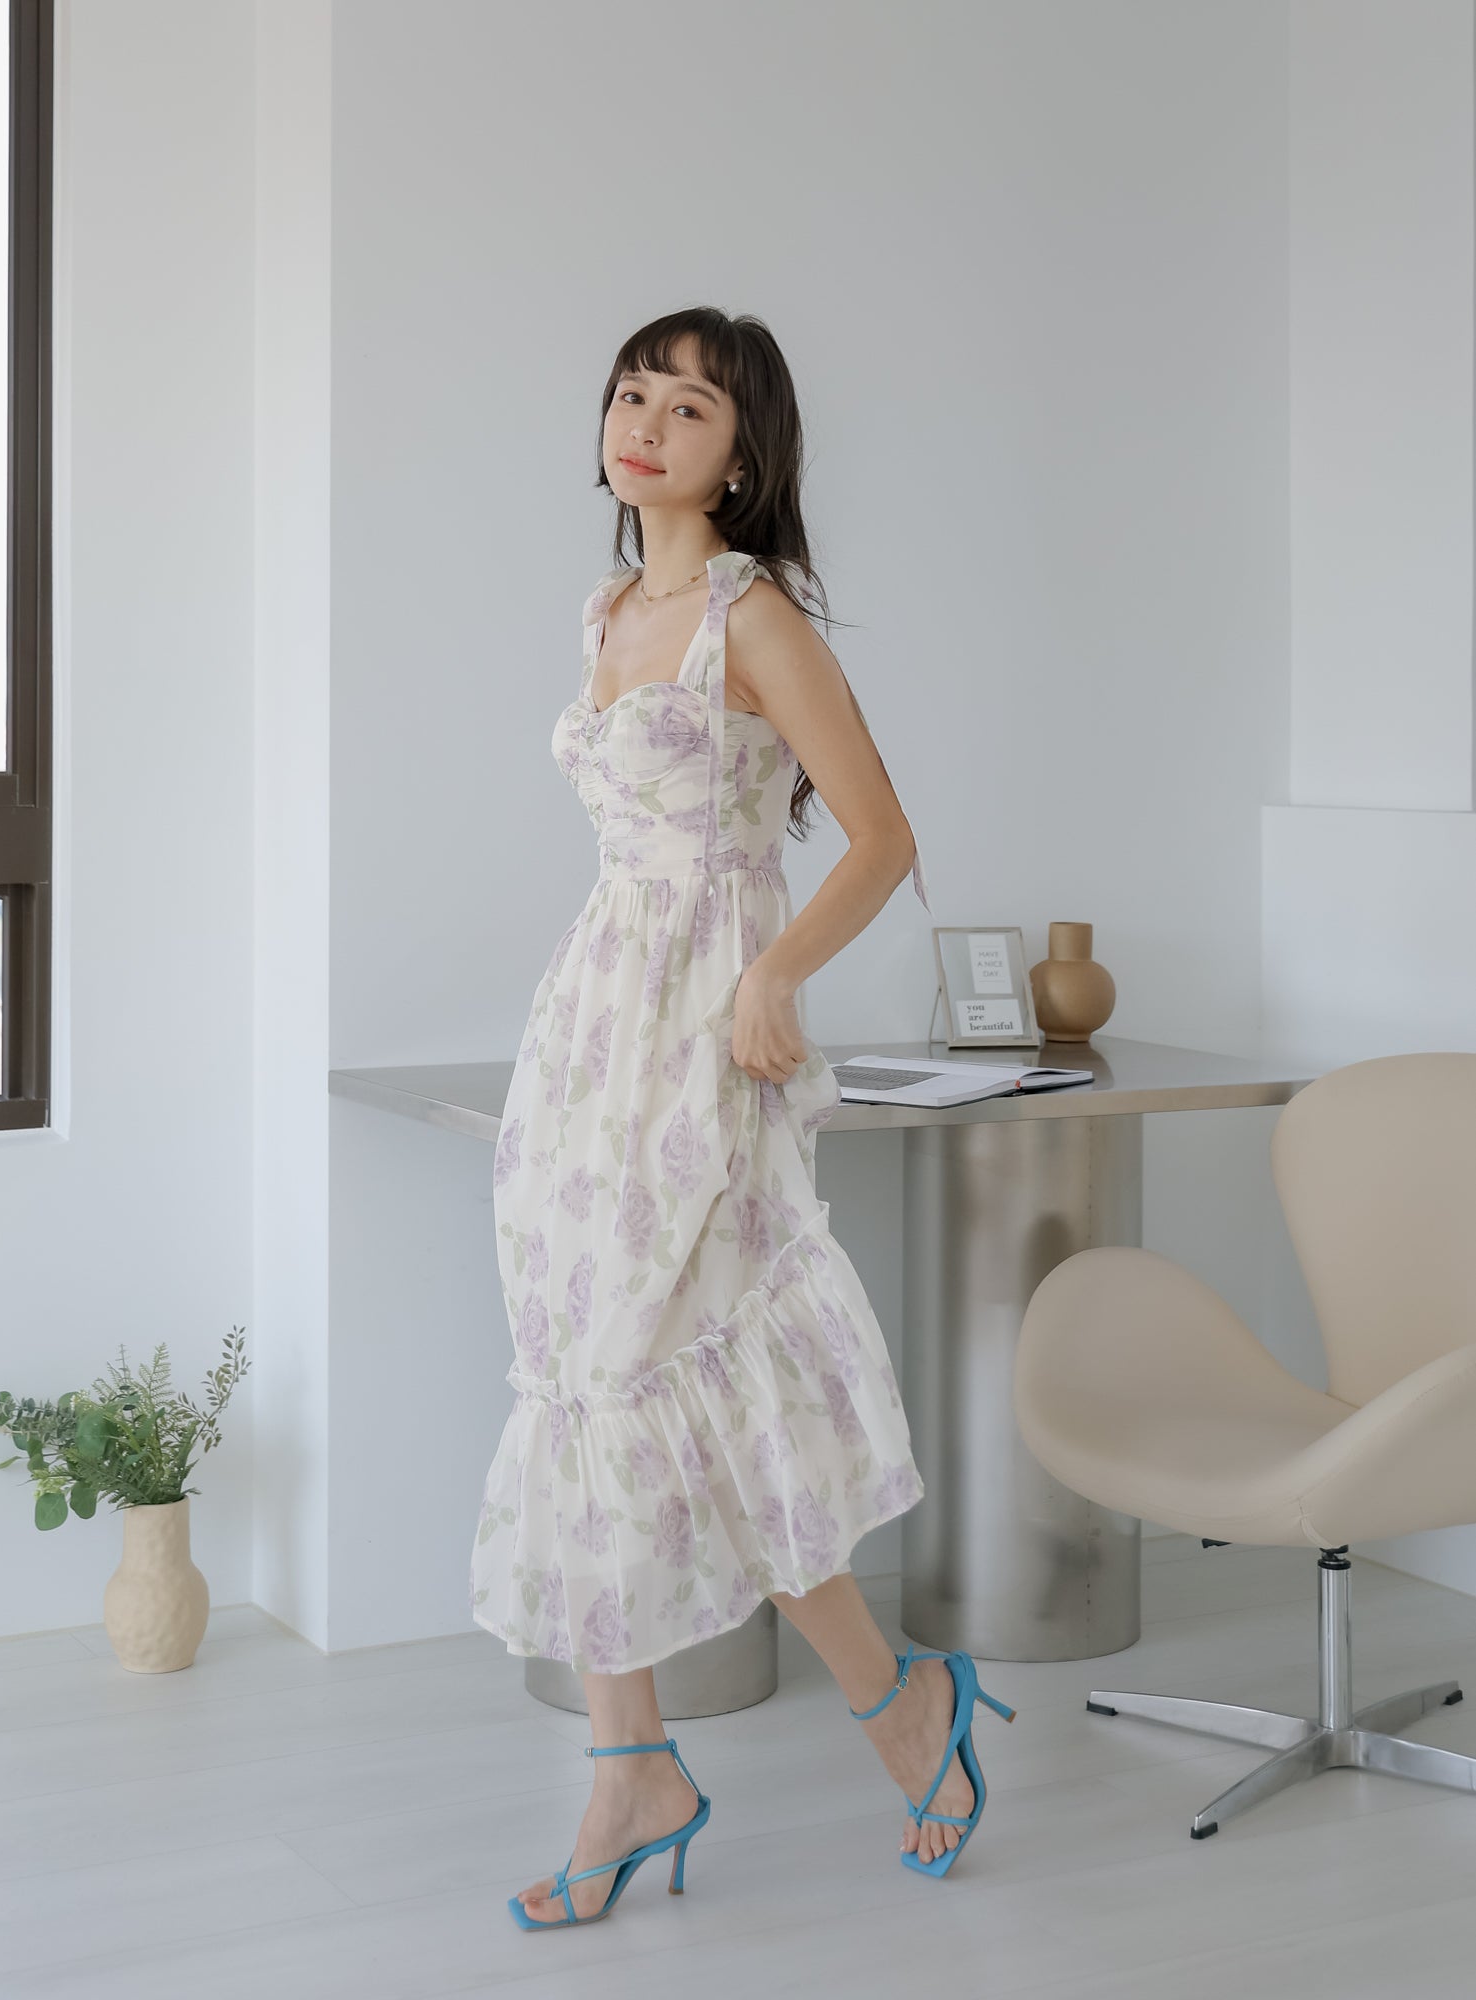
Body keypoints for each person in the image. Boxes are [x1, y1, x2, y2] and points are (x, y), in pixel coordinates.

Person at [468, 307, 1013, 1928]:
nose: (644, 423)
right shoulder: (608, 609)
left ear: (741, 453)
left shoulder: (748, 614)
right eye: (630, 394)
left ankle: (894, 1702)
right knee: (583, 1376)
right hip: (591, 1033)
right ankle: (632, 1761)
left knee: (702, 1377)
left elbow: (879, 836)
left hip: (705, 1032)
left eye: (687, 407)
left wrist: (775, 974)